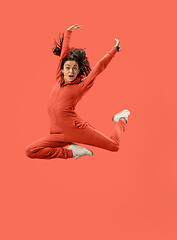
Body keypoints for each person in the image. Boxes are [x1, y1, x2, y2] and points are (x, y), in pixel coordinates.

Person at [25, 24, 130, 160]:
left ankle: (121, 119)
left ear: (78, 70)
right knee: (30, 151)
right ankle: (73, 152)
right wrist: (68, 33)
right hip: (57, 134)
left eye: (75, 68)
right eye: (68, 67)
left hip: (76, 130)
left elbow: (99, 67)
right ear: (62, 69)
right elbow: (64, 54)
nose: (71, 71)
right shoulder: (59, 78)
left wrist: (114, 50)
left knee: (114, 146)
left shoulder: (81, 85)